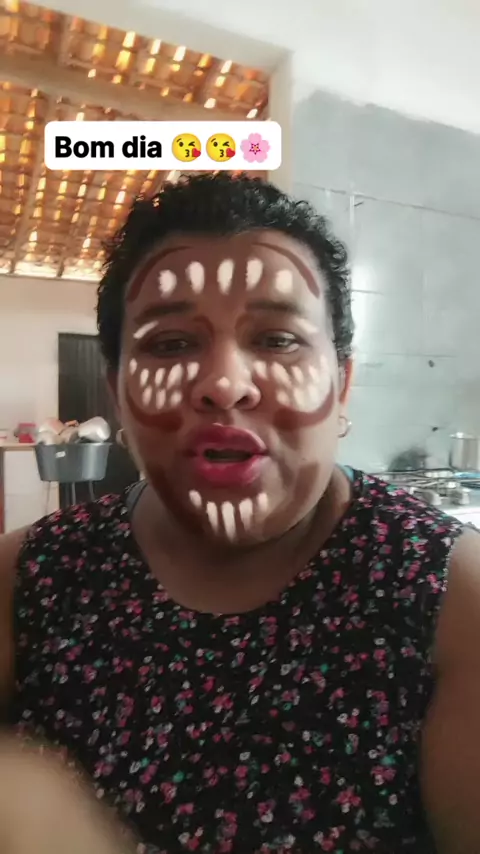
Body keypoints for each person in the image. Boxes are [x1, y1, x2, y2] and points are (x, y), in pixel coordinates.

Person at [0, 172, 479, 854]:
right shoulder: (27, 579)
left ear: (342, 382)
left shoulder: (451, 596)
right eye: (170, 344)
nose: (224, 384)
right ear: (117, 391)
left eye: (278, 339)